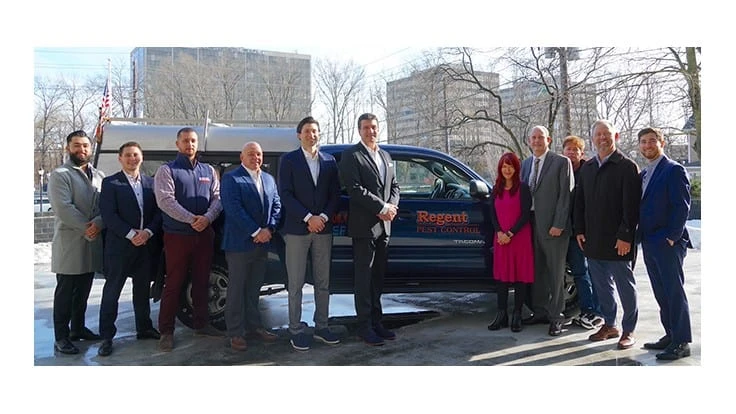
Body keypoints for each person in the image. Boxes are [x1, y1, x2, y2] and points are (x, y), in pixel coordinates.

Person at [154, 127, 223, 352]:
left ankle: (201, 324)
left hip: (204, 234)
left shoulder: (209, 170)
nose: (189, 145)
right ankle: (166, 331)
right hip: (178, 236)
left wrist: (207, 218)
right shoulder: (167, 170)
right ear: (177, 144)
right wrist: (192, 219)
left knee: (202, 281)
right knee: (174, 283)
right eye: (185, 141)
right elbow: (165, 200)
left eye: (193, 141)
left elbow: (217, 197)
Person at [574, 119, 641, 349]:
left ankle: (629, 329)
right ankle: (610, 324)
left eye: (607, 134)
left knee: (625, 288)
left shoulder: (627, 166)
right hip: (593, 241)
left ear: (616, 136)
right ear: (592, 138)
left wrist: (625, 236)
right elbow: (579, 201)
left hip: (619, 242)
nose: (603, 138)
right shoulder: (588, 167)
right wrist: (579, 230)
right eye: (598, 134)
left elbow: (631, 207)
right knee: (602, 287)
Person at [278, 117, 341, 351]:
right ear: (299, 135)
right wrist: (308, 218)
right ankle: (295, 329)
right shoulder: (289, 160)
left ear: (319, 134)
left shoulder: (329, 161)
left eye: (315, 131)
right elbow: (285, 194)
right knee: (295, 284)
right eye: (306, 131)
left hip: (323, 230)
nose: (311, 135)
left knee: (323, 282)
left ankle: (322, 326)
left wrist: (322, 218)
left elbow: (335, 195)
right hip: (296, 229)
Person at [338, 113, 400, 346]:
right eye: (366, 128)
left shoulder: (385, 155)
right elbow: (354, 189)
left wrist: (392, 206)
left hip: (384, 227)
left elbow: (394, 185)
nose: (370, 131)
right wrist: (381, 206)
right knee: (363, 279)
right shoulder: (351, 155)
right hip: (364, 228)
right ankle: (364, 326)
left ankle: (377, 322)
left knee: (377, 278)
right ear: (359, 130)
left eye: (373, 127)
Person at [96, 142, 162, 357]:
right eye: (128, 155)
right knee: (112, 291)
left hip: (145, 246)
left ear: (141, 158)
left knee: (142, 290)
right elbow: (109, 215)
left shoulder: (151, 183)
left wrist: (148, 233)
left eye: (136, 155)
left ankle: (144, 328)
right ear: (120, 158)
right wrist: (132, 234)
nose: (132, 159)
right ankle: (106, 336)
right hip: (120, 247)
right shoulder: (111, 183)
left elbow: (158, 214)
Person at [47, 129, 106, 355]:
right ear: (68, 148)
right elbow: (64, 208)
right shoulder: (60, 174)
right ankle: (61, 337)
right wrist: (87, 227)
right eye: (76, 145)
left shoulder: (98, 175)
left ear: (90, 149)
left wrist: (98, 224)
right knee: (66, 292)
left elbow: (105, 207)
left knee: (84, 289)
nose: (81, 149)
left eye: (85, 146)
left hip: (91, 242)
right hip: (70, 242)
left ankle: (78, 328)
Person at [637, 127, 693, 360]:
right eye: (643, 142)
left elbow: (682, 206)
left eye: (652, 141)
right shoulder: (644, 174)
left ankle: (681, 341)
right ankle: (670, 334)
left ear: (662, 142)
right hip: (649, 242)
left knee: (673, 291)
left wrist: (671, 236)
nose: (648, 145)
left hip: (668, 242)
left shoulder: (673, 170)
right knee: (661, 292)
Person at [220, 142, 281, 351]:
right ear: (241, 156)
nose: (255, 158)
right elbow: (233, 209)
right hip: (239, 244)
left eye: (259, 154)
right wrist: (256, 231)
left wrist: (270, 229)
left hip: (263, 244)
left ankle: (255, 327)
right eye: (251, 154)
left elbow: (277, 205)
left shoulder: (269, 179)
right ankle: (235, 332)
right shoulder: (231, 178)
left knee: (254, 288)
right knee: (236, 289)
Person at [520, 125, 574, 336]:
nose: (536, 141)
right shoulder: (525, 164)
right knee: (538, 271)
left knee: (556, 273)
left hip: (553, 227)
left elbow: (565, 196)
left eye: (540, 137)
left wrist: (559, 224)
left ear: (548, 140)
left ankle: (557, 316)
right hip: (530, 225)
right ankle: (540, 311)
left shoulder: (561, 162)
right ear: (529, 140)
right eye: (533, 137)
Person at [486, 152, 534, 333]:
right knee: (502, 278)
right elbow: (492, 213)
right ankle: (501, 314)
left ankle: (517, 314)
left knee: (520, 277)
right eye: (504, 166)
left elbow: (525, 215)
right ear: (500, 168)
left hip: (519, 237)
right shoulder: (496, 188)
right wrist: (499, 231)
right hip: (501, 239)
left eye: (510, 166)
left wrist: (510, 233)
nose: (507, 169)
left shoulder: (523, 188)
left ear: (516, 168)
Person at [562, 135, 603, 330]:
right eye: (568, 149)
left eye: (575, 150)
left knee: (583, 271)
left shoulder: (588, 171)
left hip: (581, 232)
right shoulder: (560, 169)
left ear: (582, 153)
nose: (571, 153)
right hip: (562, 230)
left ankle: (592, 311)